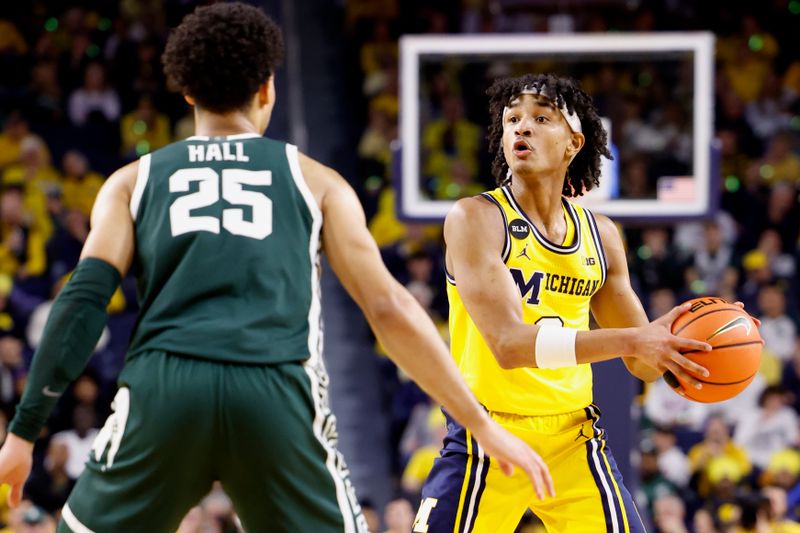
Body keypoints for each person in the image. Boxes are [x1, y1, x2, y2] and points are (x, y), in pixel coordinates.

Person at [0, 5, 551, 533]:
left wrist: (23, 433)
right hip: (274, 386)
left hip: (164, 388)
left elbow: (81, 303)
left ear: (187, 92)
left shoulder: (131, 181)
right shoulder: (317, 180)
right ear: (267, 88)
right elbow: (388, 308)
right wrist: (479, 425)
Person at [413, 73, 716, 533]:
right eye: (512, 119)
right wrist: (637, 339)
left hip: (573, 438)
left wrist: (682, 348)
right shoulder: (475, 218)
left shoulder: (602, 236)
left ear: (573, 143)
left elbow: (643, 366)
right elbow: (509, 345)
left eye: (540, 118)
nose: (521, 128)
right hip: (487, 434)